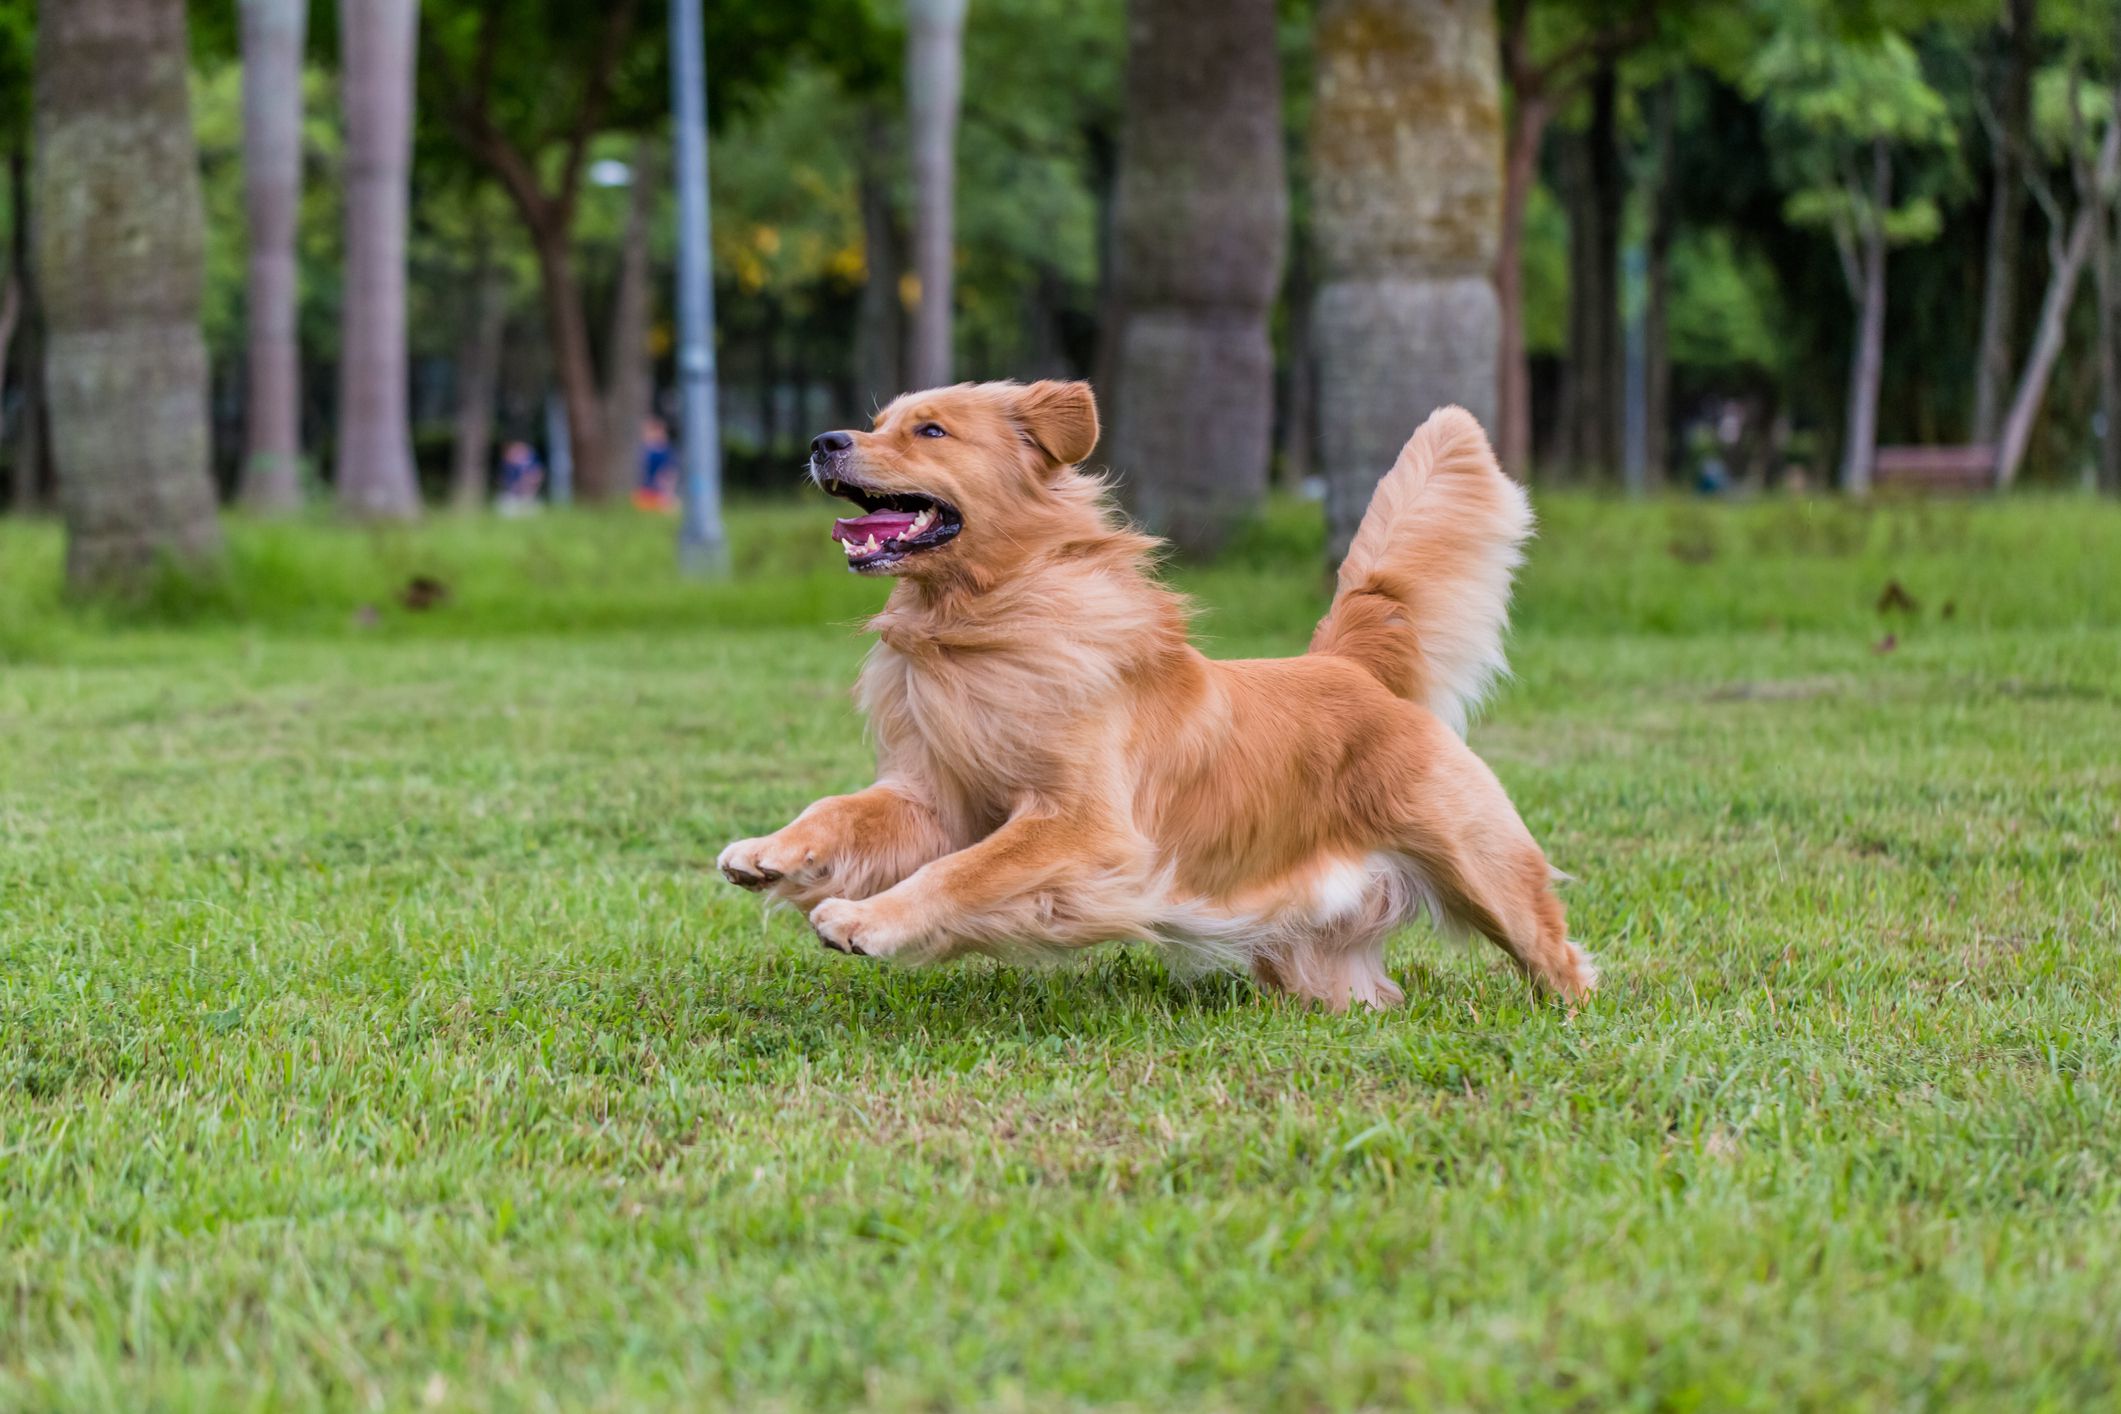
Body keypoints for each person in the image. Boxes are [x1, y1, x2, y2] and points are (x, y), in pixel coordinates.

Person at [633, 415, 678, 512]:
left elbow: (668, 473)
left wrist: (667, 492)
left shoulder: (665, 452)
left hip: (659, 492)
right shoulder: (645, 450)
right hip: (646, 491)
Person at [497, 440, 545, 517]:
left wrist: (527, 486)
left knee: (531, 510)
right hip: (513, 494)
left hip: (528, 495)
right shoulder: (507, 466)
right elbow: (503, 481)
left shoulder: (531, 463)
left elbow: (537, 476)